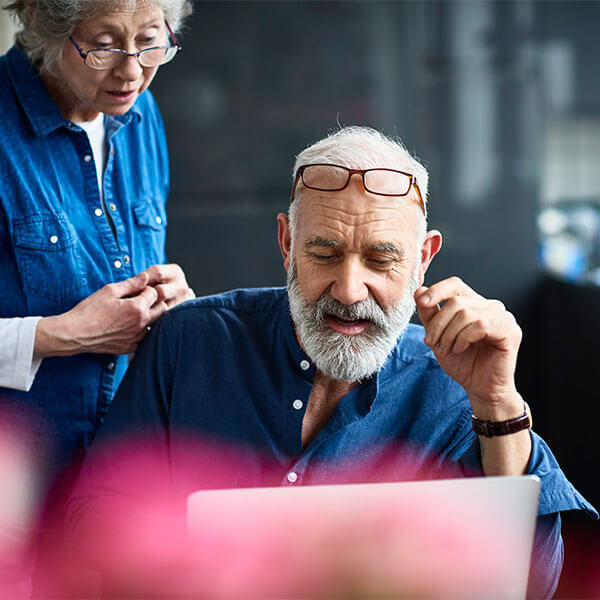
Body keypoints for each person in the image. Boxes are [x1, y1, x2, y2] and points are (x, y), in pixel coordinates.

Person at [67, 126, 597, 598]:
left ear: (423, 260)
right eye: (323, 254)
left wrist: (497, 402)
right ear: (287, 243)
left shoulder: (455, 381)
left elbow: (532, 583)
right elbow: (93, 524)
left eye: (381, 259)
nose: (348, 289)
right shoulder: (189, 343)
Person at [0, 0, 194, 484]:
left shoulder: (141, 114)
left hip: (120, 481)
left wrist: (169, 303)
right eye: (104, 46)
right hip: (19, 492)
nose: (132, 72)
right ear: (48, 29)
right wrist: (64, 335)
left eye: (150, 41)